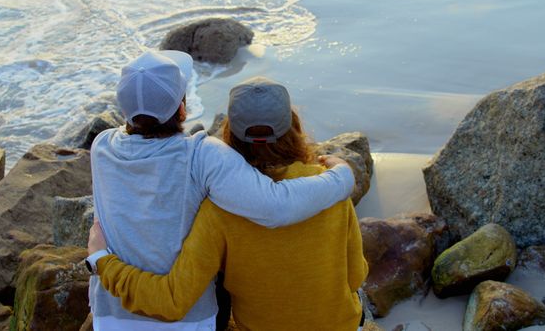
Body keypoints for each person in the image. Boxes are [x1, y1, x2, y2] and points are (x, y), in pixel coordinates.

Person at [85, 52, 356, 330]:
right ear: (182, 110)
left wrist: (100, 260)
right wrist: (343, 178)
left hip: (109, 314)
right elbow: (276, 207)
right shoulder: (202, 156)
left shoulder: (101, 146)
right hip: (186, 321)